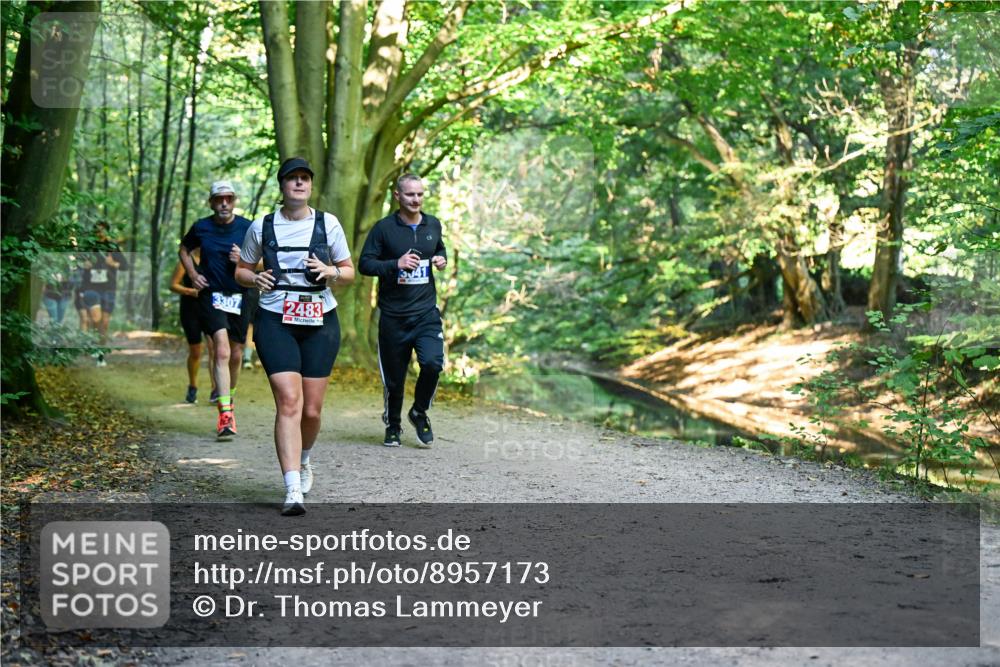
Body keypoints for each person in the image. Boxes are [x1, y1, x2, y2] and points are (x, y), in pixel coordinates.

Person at [235, 157, 354, 516]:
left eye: (305, 178)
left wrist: (330, 271)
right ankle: (291, 490)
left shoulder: (328, 224)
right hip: (275, 319)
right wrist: (254, 278)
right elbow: (241, 269)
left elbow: (349, 272)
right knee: (289, 401)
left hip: (320, 319)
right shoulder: (262, 226)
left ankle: (303, 459)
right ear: (282, 186)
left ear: (311, 186)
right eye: (292, 179)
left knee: (312, 410)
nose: (299, 184)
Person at [359, 174, 447, 448]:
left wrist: (441, 259)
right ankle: (393, 426)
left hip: (425, 314)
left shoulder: (433, 224)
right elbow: (365, 264)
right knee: (394, 380)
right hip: (393, 316)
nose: (416, 199)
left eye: (420, 194)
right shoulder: (383, 229)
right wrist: (395, 264)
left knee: (433, 363)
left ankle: (419, 411)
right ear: (397, 196)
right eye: (410, 195)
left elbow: (439, 249)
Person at [178, 181, 253, 439]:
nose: (224, 203)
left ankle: (229, 398)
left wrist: (243, 259)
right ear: (211, 202)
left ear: (234, 201)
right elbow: (184, 249)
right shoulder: (201, 227)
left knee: (236, 353)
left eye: (228, 198)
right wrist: (192, 273)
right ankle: (225, 414)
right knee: (220, 349)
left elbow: (265, 261)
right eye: (219, 199)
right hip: (212, 295)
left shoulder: (247, 227)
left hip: (241, 295)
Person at [169, 257, 217, 404]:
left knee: (215, 349)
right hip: (191, 310)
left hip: (211, 309)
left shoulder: (214, 257)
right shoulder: (186, 261)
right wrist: (190, 291)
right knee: (196, 351)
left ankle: (216, 389)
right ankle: (193, 386)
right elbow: (173, 285)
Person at [79, 222, 127, 367]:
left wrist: (113, 264)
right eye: (97, 231)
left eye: (102, 231)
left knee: (104, 323)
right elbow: (76, 263)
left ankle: (101, 354)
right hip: (91, 288)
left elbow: (125, 266)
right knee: (96, 319)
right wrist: (83, 264)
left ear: (107, 232)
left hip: (109, 289)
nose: (100, 233)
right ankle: (95, 344)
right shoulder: (88, 247)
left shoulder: (112, 247)